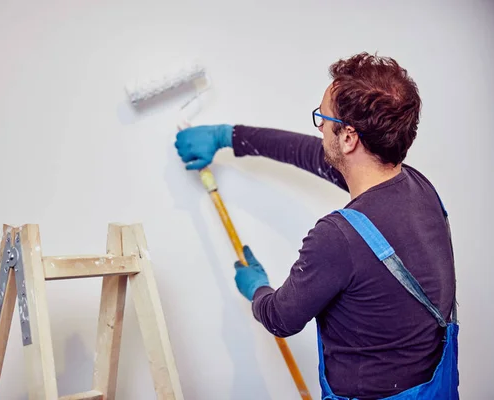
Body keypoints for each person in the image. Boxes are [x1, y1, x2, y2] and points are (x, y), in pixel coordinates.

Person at [174, 52, 459, 399]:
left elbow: (281, 318)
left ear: (350, 138)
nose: (320, 126)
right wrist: (229, 136)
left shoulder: (340, 237)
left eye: (322, 117)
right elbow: (313, 154)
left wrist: (256, 288)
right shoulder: (419, 186)